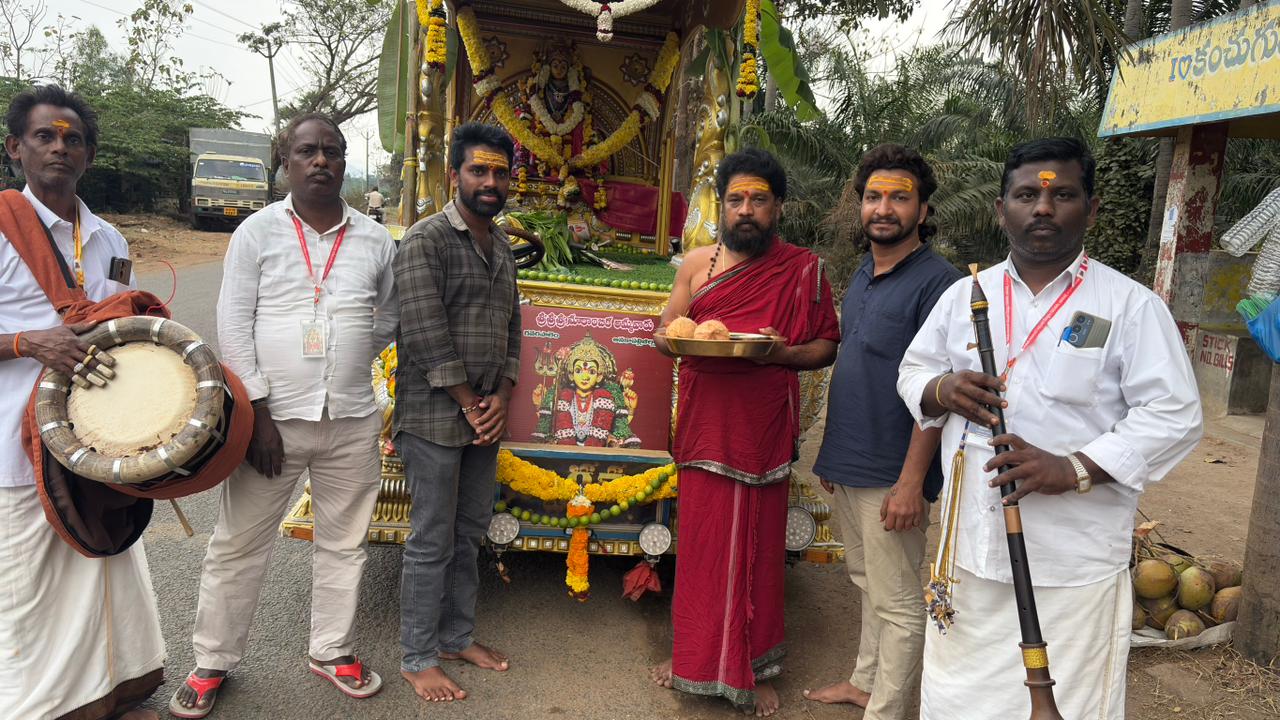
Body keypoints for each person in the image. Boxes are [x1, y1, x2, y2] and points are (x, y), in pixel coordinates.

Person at [897, 137, 1203, 719]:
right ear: (1001, 208)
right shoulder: (965, 296)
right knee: (958, 704)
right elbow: (913, 372)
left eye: (1062, 195)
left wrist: (1074, 468)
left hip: (1072, 567)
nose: (1042, 207)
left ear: (1091, 208)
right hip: (971, 555)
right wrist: (943, 389)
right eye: (1025, 195)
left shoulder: (1130, 306)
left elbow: (1175, 414)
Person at [170, 113, 398, 718]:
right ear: (285, 162)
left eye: (332, 151)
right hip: (274, 423)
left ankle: (332, 649)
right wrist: (259, 413)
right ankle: (212, 661)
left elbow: (391, 315)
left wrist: (352, 355)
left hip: (352, 418)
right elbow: (232, 325)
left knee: (345, 544)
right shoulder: (257, 232)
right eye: (306, 151)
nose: (320, 160)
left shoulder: (375, 239)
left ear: (344, 163)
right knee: (238, 544)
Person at [650, 148, 840, 717]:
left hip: (762, 428)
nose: (746, 209)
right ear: (722, 205)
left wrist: (779, 354)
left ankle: (752, 668)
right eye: (736, 199)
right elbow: (666, 330)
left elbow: (825, 346)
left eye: (759, 199)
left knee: (756, 549)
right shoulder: (696, 264)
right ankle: (691, 657)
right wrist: (672, 338)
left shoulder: (804, 269)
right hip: (705, 424)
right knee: (703, 545)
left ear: (777, 206)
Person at [0, 85, 163, 720]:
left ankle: (111, 699)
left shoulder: (108, 238)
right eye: (44, 136)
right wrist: (25, 342)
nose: (59, 148)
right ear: (15, 148)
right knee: (28, 593)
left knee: (105, 572)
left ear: (89, 156)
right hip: (15, 446)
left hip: (94, 435)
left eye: (73, 139)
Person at [803, 145, 960, 719]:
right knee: (867, 579)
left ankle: (886, 710)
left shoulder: (939, 284)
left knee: (897, 600)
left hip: (894, 470)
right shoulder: (865, 272)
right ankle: (864, 683)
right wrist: (831, 456)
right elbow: (858, 367)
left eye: (899, 197)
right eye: (874, 196)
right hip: (851, 460)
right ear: (860, 205)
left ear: (923, 210)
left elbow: (938, 393)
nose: (884, 208)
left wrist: (912, 482)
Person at [394, 122, 520, 703]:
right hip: (433, 418)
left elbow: (513, 329)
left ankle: (455, 637)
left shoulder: (502, 247)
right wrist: (472, 403)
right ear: (454, 176)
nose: (490, 181)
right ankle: (418, 656)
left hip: (482, 419)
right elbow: (424, 333)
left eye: (500, 172)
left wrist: (503, 396)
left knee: (468, 534)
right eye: (478, 170)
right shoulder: (427, 240)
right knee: (431, 540)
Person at [531, 334, 640, 447]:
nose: (585, 377)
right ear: (571, 374)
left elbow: (620, 430)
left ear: (599, 376)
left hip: (597, 453)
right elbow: (546, 426)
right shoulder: (559, 398)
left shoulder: (608, 399)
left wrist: (630, 410)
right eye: (578, 370)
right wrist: (539, 405)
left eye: (591, 372)